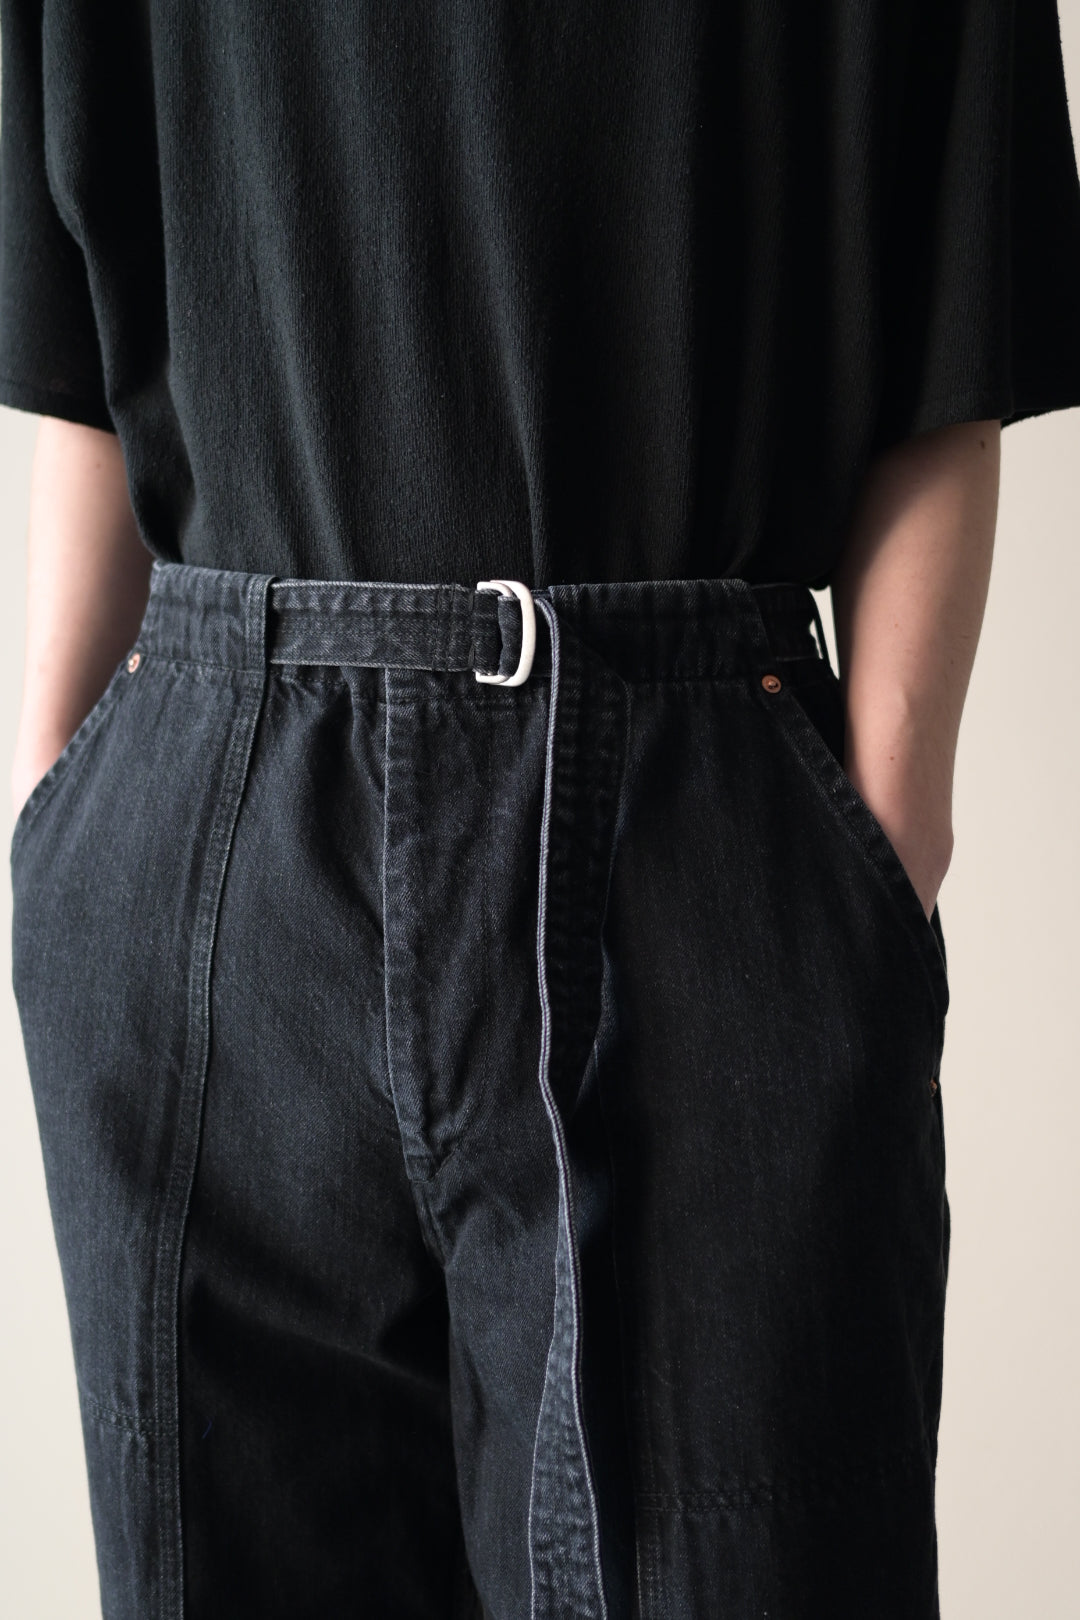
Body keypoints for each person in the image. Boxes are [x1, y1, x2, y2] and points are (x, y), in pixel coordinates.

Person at [3, 3, 1080, 1617]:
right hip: (214, 814)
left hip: (696, 834)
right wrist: (59, 804)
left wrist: (878, 848)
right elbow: (78, 299)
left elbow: (956, 290)